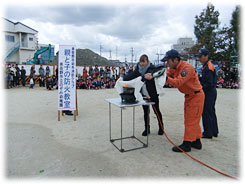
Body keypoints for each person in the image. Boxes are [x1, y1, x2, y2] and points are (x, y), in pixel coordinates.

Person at [162, 49, 204, 152]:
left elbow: (178, 82)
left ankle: (187, 144)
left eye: (168, 61)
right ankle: (197, 141)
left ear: (175, 59)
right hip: (190, 96)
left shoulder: (186, 68)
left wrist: (165, 78)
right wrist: (160, 73)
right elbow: (167, 73)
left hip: (196, 96)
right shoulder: (174, 68)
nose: (167, 63)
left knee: (190, 120)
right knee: (193, 120)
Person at [123, 54, 164, 136]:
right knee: (145, 112)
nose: (142, 63)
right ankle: (147, 128)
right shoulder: (138, 69)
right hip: (143, 94)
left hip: (152, 93)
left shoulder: (152, 68)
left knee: (156, 111)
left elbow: (153, 73)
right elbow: (132, 75)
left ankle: (161, 127)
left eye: (143, 62)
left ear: (147, 61)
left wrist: (147, 76)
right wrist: (123, 78)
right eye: (141, 62)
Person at [197, 48, 218, 139]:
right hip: (210, 91)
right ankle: (214, 131)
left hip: (208, 92)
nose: (199, 59)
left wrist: (200, 88)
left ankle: (208, 132)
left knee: (206, 112)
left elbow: (209, 83)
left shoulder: (208, 67)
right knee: (211, 111)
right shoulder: (206, 66)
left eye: (201, 56)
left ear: (206, 56)